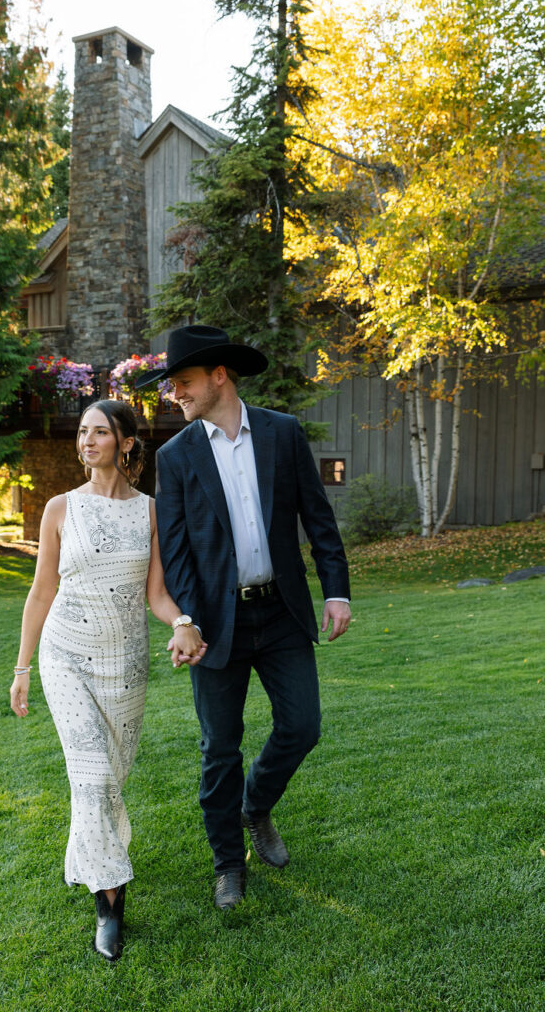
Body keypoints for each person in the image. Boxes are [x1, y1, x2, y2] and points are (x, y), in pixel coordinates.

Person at [134, 324, 351, 911]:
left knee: (303, 726)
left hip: (282, 612)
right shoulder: (174, 457)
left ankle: (256, 808)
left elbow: (318, 518)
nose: (174, 393)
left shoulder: (282, 433)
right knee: (219, 748)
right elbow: (175, 553)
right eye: (172, 385)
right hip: (214, 624)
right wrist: (186, 621)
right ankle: (229, 863)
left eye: (182, 382)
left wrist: (337, 591)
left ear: (219, 376)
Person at [10, 399, 206, 961]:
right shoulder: (58, 509)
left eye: (99, 432)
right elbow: (41, 592)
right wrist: (23, 668)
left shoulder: (150, 511)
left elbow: (158, 596)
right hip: (65, 655)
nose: (86, 441)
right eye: (81, 433)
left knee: (111, 778)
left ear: (125, 442)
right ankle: (110, 905)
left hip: (125, 663)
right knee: (92, 778)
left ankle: (95, 862)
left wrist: (184, 624)